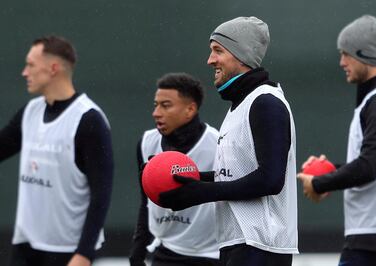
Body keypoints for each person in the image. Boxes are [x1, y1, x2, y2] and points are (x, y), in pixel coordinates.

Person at [159, 17, 298, 266]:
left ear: (241, 55)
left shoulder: (266, 102)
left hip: (261, 246)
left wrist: (201, 192)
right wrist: (185, 178)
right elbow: (236, 174)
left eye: (218, 51)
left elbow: (271, 179)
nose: (210, 60)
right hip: (238, 244)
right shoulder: (240, 104)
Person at [0, 36, 114, 266]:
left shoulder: (89, 119)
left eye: (31, 65)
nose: (24, 72)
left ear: (53, 68)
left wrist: (84, 254)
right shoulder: (31, 112)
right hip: (25, 247)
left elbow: (101, 194)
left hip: (67, 252)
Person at [297, 15, 376, 265]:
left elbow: (370, 166)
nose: (342, 62)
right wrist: (331, 172)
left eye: (346, 53)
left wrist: (321, 184)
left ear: (365, 53)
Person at [129, 73, 220, 266]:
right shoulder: (147, 143)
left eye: (166, 105)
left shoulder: (218, 145)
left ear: (190, 109)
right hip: (165, 251)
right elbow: (145, 201)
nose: (156, 113)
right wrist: (138, 248)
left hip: (210, 255)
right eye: (156, 105)